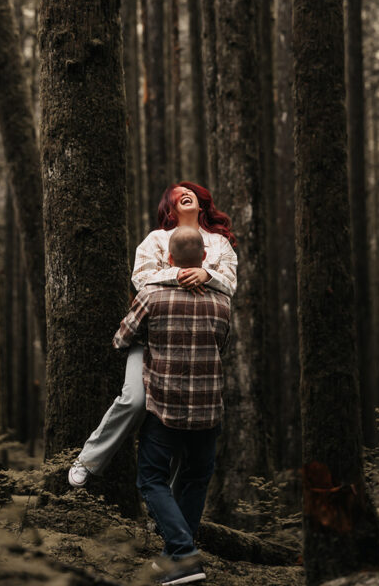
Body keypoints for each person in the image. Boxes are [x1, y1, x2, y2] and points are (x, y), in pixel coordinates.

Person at [68, 182, 237, 488]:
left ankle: (163, 509)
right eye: (176, 193)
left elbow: (230, 283)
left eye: (191, 192)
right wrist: (184, 274)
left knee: (177, 420)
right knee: (134, 401)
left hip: (196, 344)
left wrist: (207, 274)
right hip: (152, 338)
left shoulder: (220, 243)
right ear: (169, 208)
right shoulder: (155, 240)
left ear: (201, 205)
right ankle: (89, 460)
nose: (184, 192)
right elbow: (142, 279)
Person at [113, 225, 231, 586]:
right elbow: (222, 344)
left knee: (151, 480)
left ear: (168, 259)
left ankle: (184, 554)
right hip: (208, 409)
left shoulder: (151, 295)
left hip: (165, 407)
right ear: (205, 258)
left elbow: (121, 339)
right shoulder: (223, 302)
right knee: (196, 478)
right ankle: (173, 559)